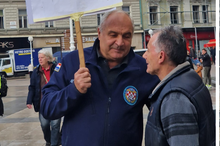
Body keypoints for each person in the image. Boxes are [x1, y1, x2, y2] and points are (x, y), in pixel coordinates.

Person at [40, 10, 159, 146]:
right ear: (99, 33)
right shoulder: (73, 61)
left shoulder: (144, 69)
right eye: (113, 35)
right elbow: (47, 107)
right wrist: (73, 90)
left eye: (126, 36)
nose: (120, 42)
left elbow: (164, 110)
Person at [143, 26, 215, 146]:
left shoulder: (174, 98)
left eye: (148, 51)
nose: (145, 56)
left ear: (161, 56)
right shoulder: (189, 78)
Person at [26, 50, 60, 146]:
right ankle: (49, 141)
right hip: (42, 103)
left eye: (42, 57)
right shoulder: (36, 72)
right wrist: (29, 101)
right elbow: (32, 87)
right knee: (44, 125)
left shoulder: (56, 69)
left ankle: (54, 143)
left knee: (55, 125)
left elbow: (62, 82)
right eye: (39, 58)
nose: (40, 60)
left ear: (48, 58)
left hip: (55, 102)